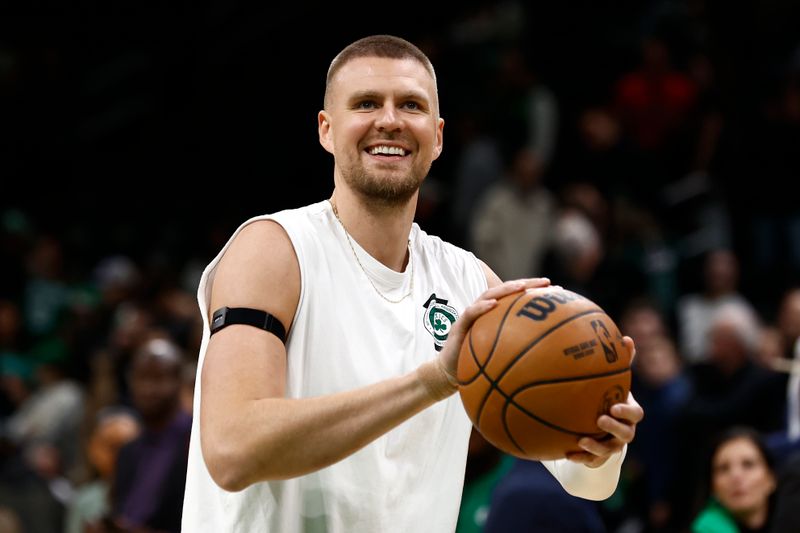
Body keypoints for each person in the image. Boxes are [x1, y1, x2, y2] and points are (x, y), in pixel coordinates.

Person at [181, 34, 644, 532]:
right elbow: (232, 450)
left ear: (438, 135)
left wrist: (603, 440)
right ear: (326, 130)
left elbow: (584, 482)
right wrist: (433, 381)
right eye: (365, 104)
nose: (390, 120)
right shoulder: (275, 249)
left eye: (411, 105)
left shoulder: (469, 282)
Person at [691, 426, 777, 533]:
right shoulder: (705, 529)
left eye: (748, 465)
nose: (736, 476)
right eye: (723, 468)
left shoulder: (792, 517)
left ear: (771, 479)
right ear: (712, 486)